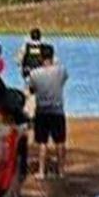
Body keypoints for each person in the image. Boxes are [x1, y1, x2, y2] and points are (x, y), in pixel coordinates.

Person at [28, 44, 68, 179]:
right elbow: (63, 80)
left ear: (41, 57)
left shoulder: (34, 74)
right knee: (60, 141)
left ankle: (41, 171)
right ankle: (61, 171)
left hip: (42, 111)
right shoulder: (61, 71)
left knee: (42, 142)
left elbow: (32, 89)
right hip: (57, 110)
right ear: (52, 56)